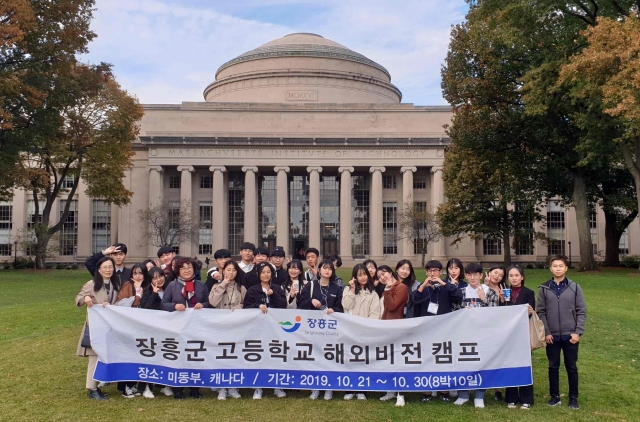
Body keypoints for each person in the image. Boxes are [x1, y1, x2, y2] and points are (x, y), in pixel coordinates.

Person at [537, 255, 586, 410]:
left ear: (566, 268)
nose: (558, 268)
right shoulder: (544, 288)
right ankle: (555, 397)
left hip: (570, 335)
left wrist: (577, 332)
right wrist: (546, 332)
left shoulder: (575, 287)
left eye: (561, 266)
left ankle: (573, 398)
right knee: (553, 367)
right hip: (552, 336)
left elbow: (581, 311)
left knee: (571, 367)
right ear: (550, 268)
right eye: (555, 266)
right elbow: (541, 312)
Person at [161, 257, 210, 399]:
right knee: (180, 357)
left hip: (197, 327)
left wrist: (203, 305)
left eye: (189, 268)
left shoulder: (201, 285)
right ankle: (178, 389)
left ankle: (195, 389)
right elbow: (163, 304)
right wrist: (175, 306)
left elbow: (209, 303)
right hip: (178, 327)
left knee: (195, 356)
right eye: (183, 268)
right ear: (178, 271)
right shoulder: (172, 285)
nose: (187, 271)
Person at [75, 256, 121, 400]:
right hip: (95, 327)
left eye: (110, 267)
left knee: (104, 356)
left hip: (109, 327)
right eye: (105, 267)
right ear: (99, 269)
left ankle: (99, 384)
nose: (108, 270)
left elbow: (118, 302)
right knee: (94, 358)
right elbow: (78, 299)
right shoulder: (91, 284)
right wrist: (85, 299)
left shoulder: (115, 283)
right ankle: (92, 388)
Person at [454, 262, 498, 409]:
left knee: (481, 364)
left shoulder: (489, 292)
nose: (472, 277)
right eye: (469, 275)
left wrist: (483, 299)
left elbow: (494, 314)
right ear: (465, 276)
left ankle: (480, 396)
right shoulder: (461, 291)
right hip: (464, 334)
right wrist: (462, 310)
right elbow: (453, 312)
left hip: (482, 334)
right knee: (463, 363)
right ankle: (463, 394)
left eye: (475, 274)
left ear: (481, 275)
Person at [298, 259, 344, 400]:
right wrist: (310, 301)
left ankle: (329, 388)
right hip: (313, 328)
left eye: (330, 269)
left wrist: (333, 309)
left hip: (330, 329)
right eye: (324, 268)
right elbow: (300, 303)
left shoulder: (337, 288)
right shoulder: (311, 285)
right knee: (315, 356)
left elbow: (341, 308)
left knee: (329, 357)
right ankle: (315, 388)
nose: (327, 271)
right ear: (319, 270)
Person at [242, 262, 287, 399]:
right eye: (263, 272)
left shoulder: (277, 288)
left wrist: (273, 295)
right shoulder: (253, 290)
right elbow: (246, 307)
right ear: (258, 274)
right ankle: (258, 387)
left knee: (275, 354)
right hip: (257, 329)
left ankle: (277, 386)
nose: (266, 274)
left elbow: (283, 306)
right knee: (259, 355)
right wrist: (258, 305)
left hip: (275, 329)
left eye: (268, 272)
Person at [342, 264, 381, 401]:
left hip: (365, 332)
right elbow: (346, 305)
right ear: (355, 276)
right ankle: (349, 389)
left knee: (363, 361)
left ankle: (361, 390)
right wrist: (352, 290)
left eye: (364, 274)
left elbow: (375, 314)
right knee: (350, 360)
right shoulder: (348, 289)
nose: (363, 277)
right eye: (359, 275)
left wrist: (365, 328)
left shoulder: (373, 293)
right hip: (350, 331)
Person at [208, 260, 246, 400]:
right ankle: (222, 387)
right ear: (223, 271)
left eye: (234, 270)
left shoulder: (241, 288)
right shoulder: (216, 286)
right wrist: (223, 284)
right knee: (221, 356)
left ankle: (232, 387)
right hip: (220, 327)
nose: (231, 273)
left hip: (236, 327)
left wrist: (240, 307)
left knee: (234, 356)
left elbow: (245, 304)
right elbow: (213, 302)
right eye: (228, 270)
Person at [138, 267, 174, 398]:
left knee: (166, 356)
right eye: (154, 277)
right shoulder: (147, 292)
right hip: (151, 329)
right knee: (151, 357)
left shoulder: (170, 288)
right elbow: (145, 308)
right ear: (150, 280)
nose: (158, 280)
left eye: (160, 276)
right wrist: (154, 293)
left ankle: (164, 385)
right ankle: (147, 387)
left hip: (168, 329)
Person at [114, 263, 149, 398]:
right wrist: (136, 296)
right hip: (128, 325)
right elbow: (121, 303)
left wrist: (139, 297)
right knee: (128, 354)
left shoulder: (148, 286)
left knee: (139, 353)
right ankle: (124, 387)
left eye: (140, 273)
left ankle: (133, 384)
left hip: (143, 325)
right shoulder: (127, 285)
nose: (138, 276)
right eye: (135, 273)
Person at [503, 265, 536, 409]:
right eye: (511, 275)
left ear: (522, 277)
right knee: (509, 365)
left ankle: (526, 398)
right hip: (508, 335)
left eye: (517, 275)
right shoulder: (504, 292)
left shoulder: (529, 293)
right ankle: (511, 397)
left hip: (523, 334)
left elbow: (530, 313)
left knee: (524, 365)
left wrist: (530, 311)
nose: (514, 278)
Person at [376, 265, 409, 407]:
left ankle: (400, 395)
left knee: (398, 363)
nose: (382, 277)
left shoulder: (400, 287)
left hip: (397, 329)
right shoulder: (387, 289)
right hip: (386, 328)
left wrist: (388, 289)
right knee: (389, 361)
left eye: (384, 274)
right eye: (379, 276)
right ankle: (390, 390)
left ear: (391, 273)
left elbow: (392, 306)